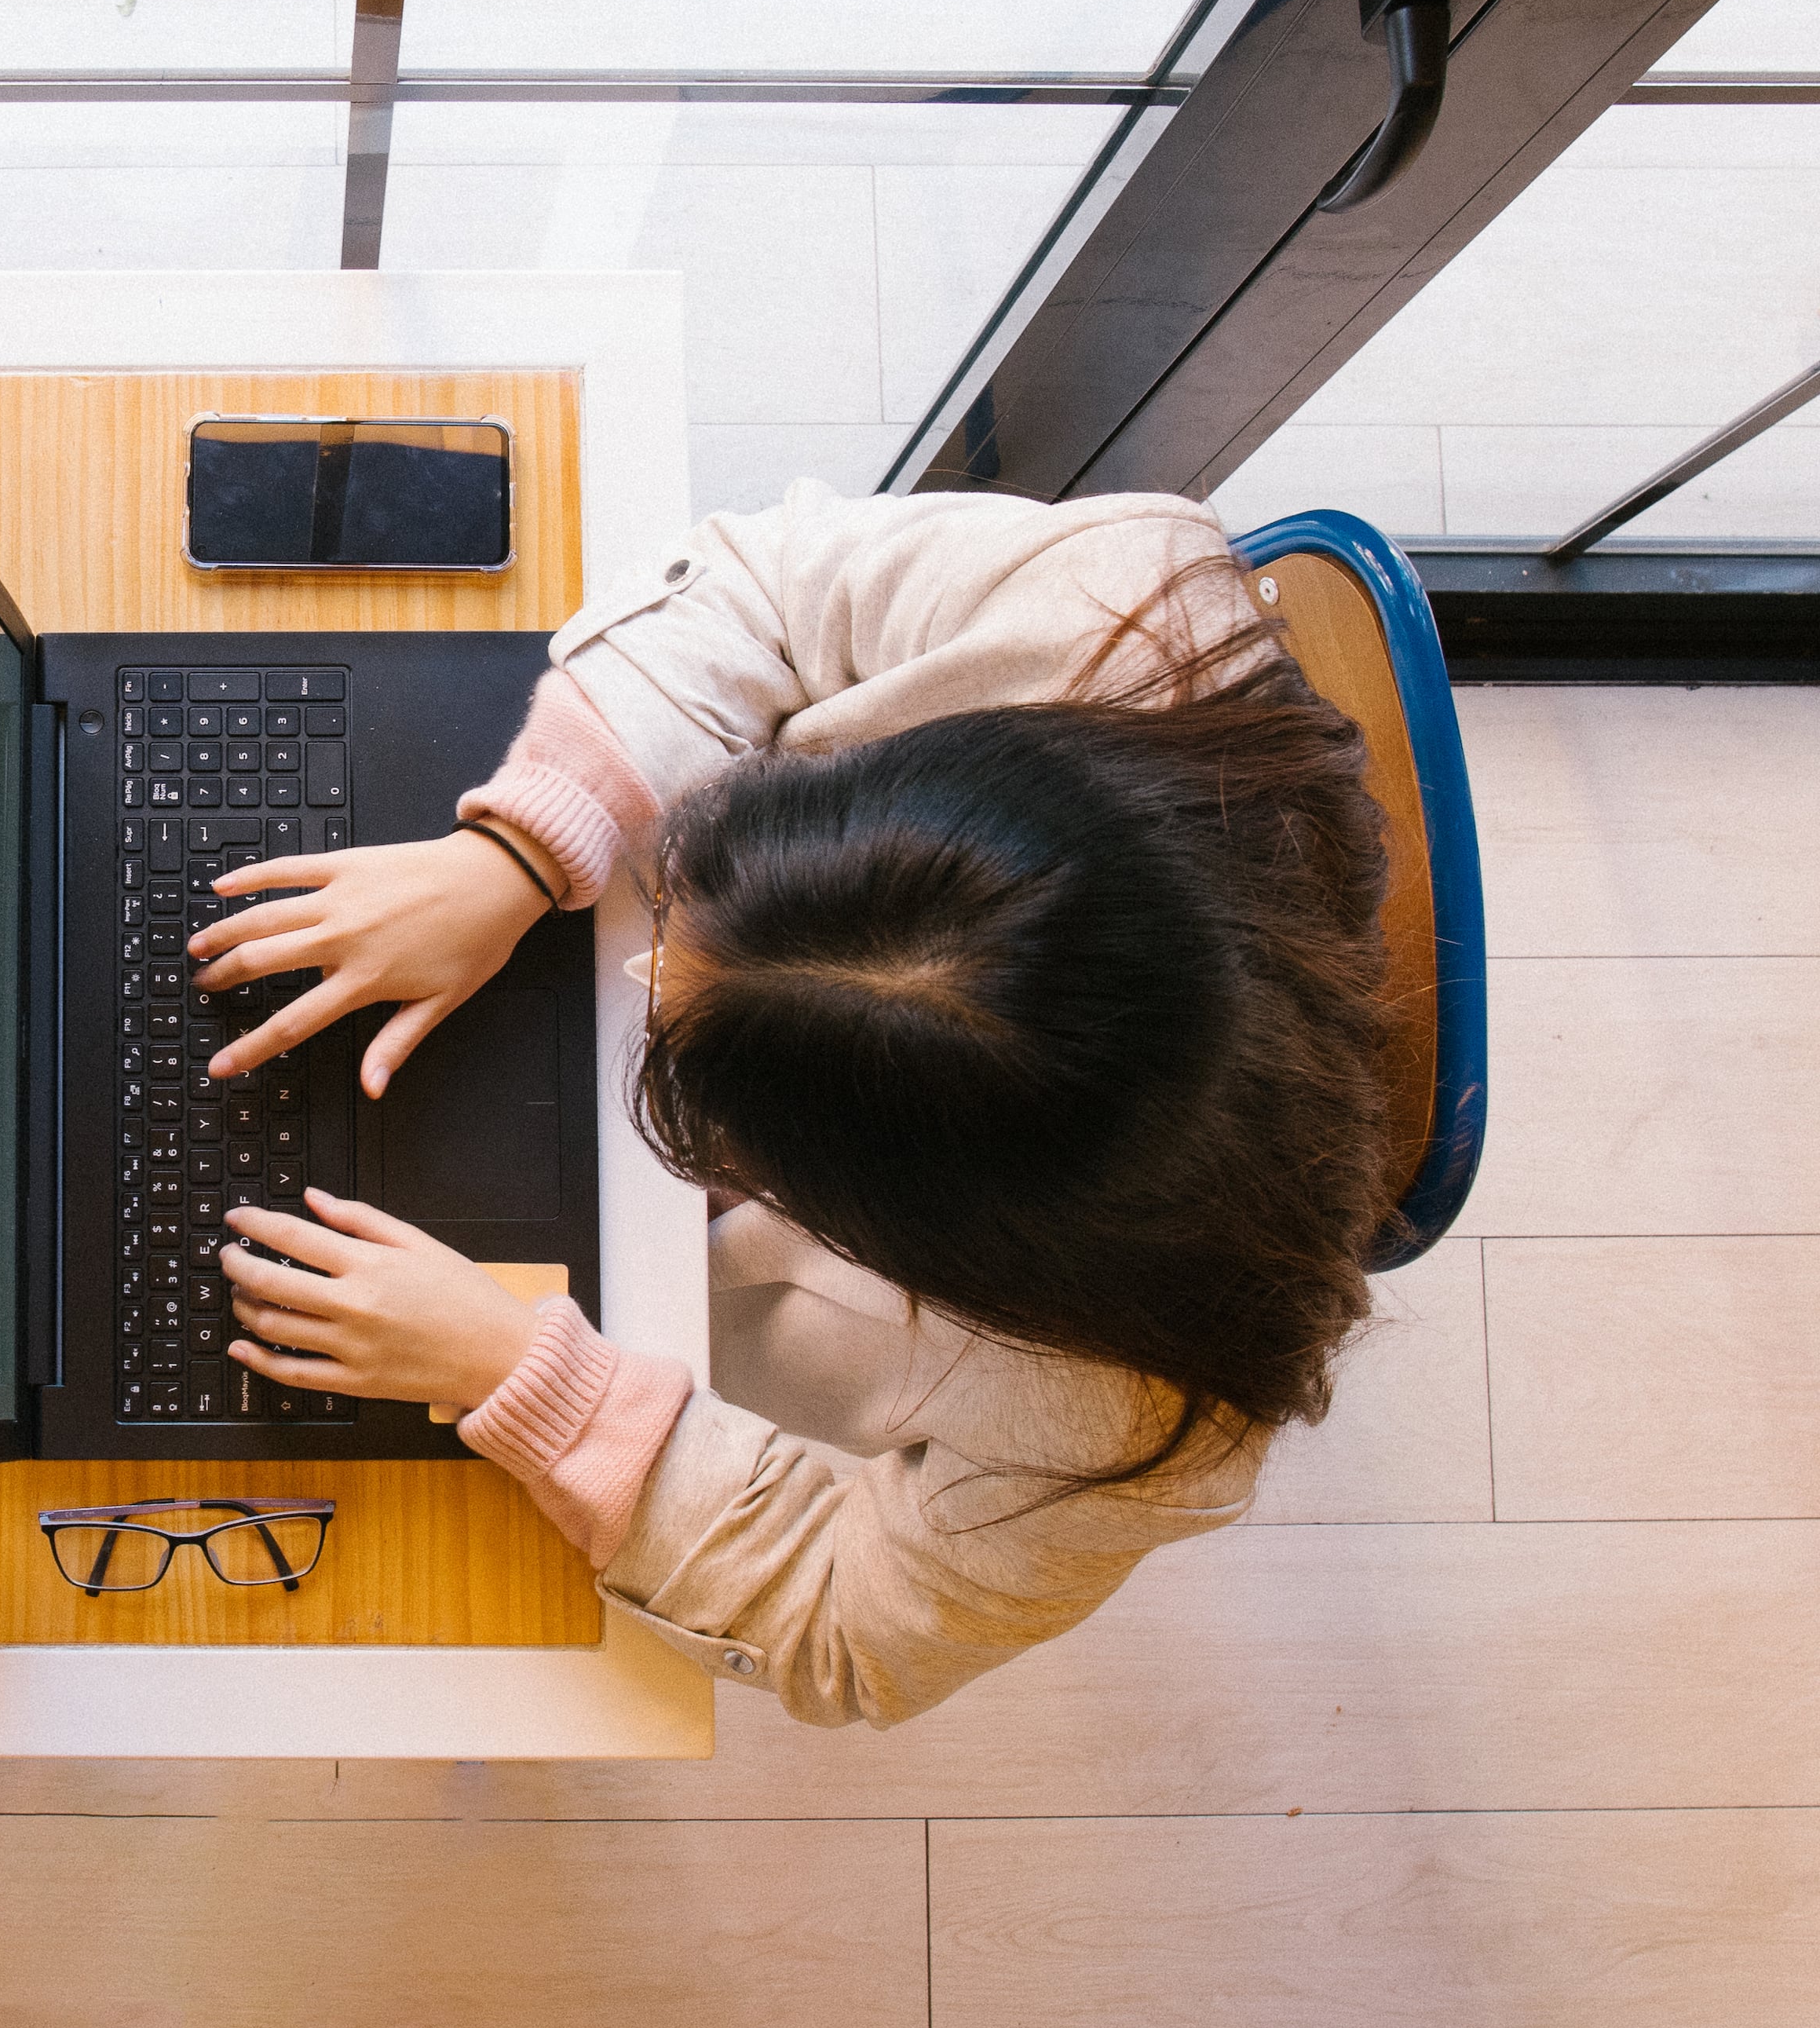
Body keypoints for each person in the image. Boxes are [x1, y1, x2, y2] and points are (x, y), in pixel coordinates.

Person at [182, 483, 1398, 1728]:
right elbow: (769, 598)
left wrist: (523, 1374)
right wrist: (524, 848)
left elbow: (850, 1635)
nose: (640, 991)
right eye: (695, 907)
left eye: (707, 1093)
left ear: (903, 1228)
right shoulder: (1111, 608)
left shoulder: (1140, 1420)